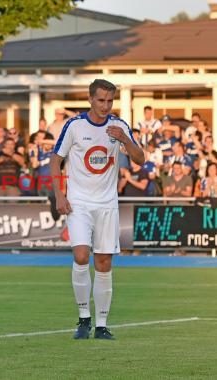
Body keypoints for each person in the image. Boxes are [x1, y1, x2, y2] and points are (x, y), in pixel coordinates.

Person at [50, 79, 144, 340]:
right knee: (81, 255)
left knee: (104, 262)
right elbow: (56, 159)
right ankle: (83, 319)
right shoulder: (75, 125)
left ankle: (102, 325)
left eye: (110, 101)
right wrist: (60, 195)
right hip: (78, 202)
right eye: (101, 100)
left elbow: (140, 159)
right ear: (90, 99)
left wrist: (124, 138)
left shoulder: (119, 126)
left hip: (107, 204)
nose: (105, 105)